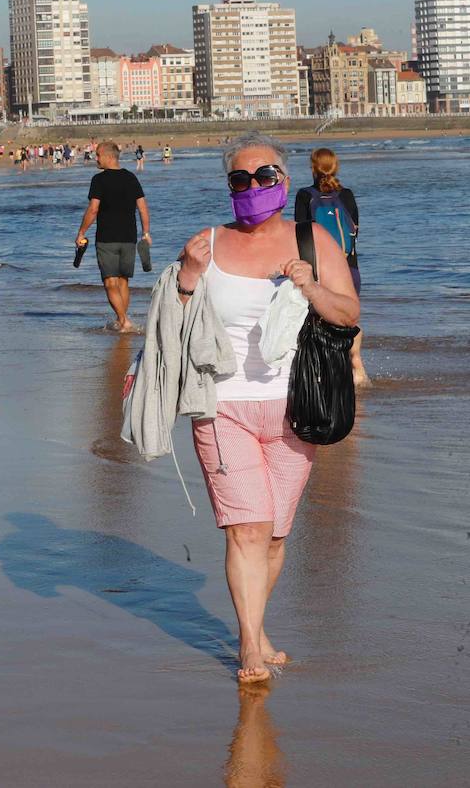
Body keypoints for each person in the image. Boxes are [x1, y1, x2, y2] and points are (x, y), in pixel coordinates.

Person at [177, 133, 359, 684]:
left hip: (295, 408)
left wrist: (310, 287)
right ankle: (250, 651)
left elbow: (348, 315)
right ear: (228, 186)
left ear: (284, 179)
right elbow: (173, 322)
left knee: (276, 534)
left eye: (265, 176)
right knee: (248, 529)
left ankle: (252, 629)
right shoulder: (205, 244)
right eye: (240, 179)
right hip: (223, 405)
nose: (253, 186)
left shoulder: (312, 240)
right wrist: (186, 279)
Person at [295, 148, 367, 387]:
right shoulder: (346, 195)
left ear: (313, 168)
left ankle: (327, 373)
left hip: (321, 268)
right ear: (335, 167)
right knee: (349, 317)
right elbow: (356, 231)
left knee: (320, 319)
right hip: (350, 267)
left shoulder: (305, 195)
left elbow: (301, 235)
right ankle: (356, 363)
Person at [75, 141, 150, 332]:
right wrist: (146, 233)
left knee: (110, 282)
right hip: (129, 237)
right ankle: (123, 321)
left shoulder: (99, 180)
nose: (95, 158)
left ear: (108, 157)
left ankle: (123, 320)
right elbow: (142, 208)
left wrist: (81, 232)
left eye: (98, 155)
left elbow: (93, 209)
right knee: (123, 281)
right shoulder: (131, 178)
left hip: (107, 238)